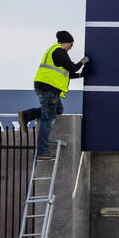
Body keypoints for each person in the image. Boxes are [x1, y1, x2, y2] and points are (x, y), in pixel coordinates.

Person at [17, 30, 89, 160]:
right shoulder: (59, 51)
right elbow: (72, 67)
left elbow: (67, 72)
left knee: (58, 110)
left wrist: (80, 75)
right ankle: (42, 150)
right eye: (71, 45)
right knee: (48, 117)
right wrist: (83, 61)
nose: (70, 48)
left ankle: (26, 115)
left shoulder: (55, 51)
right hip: (48, 88)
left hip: (47, 87)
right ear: (65, 42)